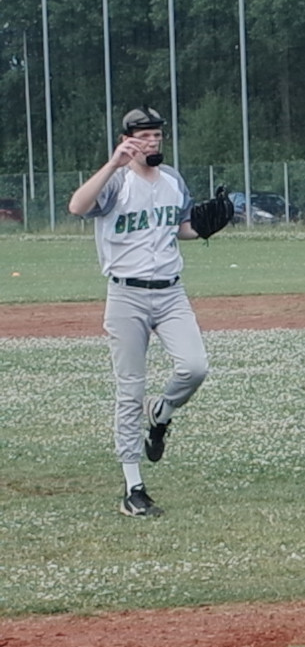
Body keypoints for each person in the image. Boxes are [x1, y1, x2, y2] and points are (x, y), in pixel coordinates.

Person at [68, 109, 230, 517]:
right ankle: (133, 486)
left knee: (194, 367)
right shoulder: (117, 180)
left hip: (171, 292)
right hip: (126, 296)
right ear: (127, 139)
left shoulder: (172, 179)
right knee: (129, 390)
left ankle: (162, 413)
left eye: (156, 135)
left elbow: (180, 227)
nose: (152, 142)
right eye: (143, 136)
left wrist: (208, 225)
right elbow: (77, 206)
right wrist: (112, 163)